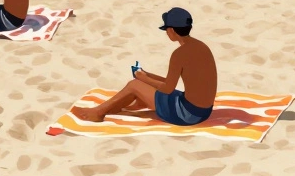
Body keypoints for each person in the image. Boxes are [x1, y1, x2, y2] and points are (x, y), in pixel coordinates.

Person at [73, 8, 216, 127]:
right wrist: (147, 76)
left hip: (188, 115)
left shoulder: (179, 54)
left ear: (171, 30)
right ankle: (118, 106)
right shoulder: (201, 47)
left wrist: (142, 78)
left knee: (134, 84)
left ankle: (98, 113)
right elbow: (171, 81)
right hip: (203, 111)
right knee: (142, 83)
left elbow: (167, 88)